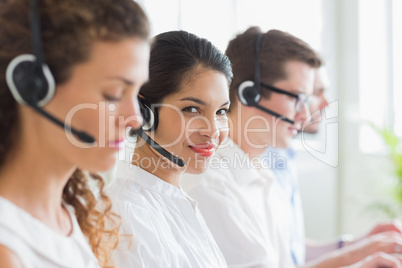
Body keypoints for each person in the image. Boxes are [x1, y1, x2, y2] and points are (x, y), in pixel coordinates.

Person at [181, 27, 402, 268]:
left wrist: (362, 251)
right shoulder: (211, 187)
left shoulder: (263, 172)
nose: (306, 113)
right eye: (296, 98)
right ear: (250, 94)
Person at [0, 0, 150, 267]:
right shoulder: (8, 249)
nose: (136, 119)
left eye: (136, 93)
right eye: (114, 94)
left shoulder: (72, 215)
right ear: (32, 86)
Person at [105, 30, 232, 267]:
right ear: (143, 111)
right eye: (192, 109)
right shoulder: (128, 215)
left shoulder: (174, 200)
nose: (213, 130)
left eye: (221, 111)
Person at [264, 65, 402, 266]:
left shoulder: (282, 157)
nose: (327, 103)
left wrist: (355, 244)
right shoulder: (251, 165)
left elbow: (290, 250)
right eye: (316, 92)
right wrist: (359, 257)